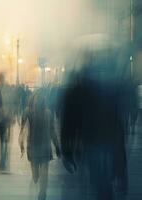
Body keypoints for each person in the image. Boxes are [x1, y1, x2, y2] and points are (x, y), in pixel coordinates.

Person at [60, 34, 129, 200]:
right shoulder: (112, 84)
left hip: (90, 142)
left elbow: (68, 120)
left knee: (96, 182)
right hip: (109, 143)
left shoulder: (77, 85)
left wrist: (67, 150)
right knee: (103, 187)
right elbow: (118, 123)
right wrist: (121, 168)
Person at [19, 88, 60, 200]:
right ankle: (42, 189)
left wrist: (56, 145)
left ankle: (42, 193)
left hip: (37, 146)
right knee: (39, 174)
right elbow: (52, 131)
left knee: (40, 173)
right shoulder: (31, 112)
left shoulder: (44, 113)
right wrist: (56, 146)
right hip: (39, 146)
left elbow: (52, 131)